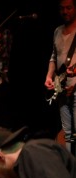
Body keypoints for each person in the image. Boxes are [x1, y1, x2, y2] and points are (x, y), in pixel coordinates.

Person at [45, 0, 76, 156]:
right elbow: (54, 56)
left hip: (75, 88)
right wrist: (49, 76)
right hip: (61, 88)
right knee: (67, 133)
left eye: (69, 8)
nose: (65, 11)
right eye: (62, 8)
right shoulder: (57, 31)